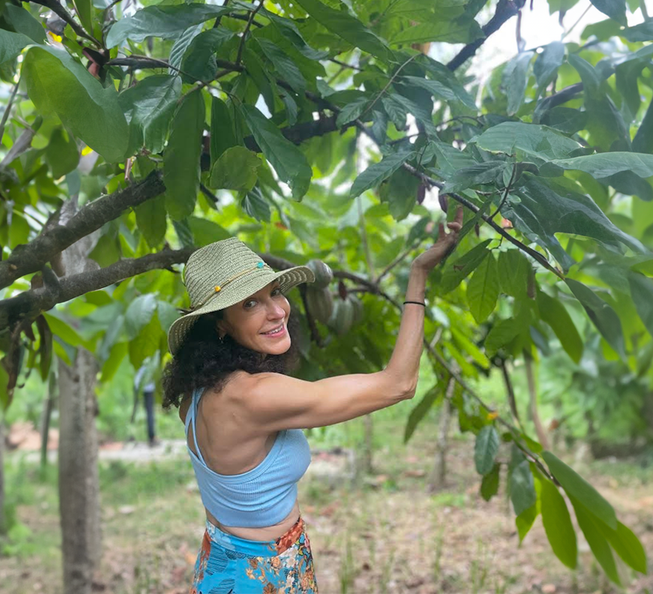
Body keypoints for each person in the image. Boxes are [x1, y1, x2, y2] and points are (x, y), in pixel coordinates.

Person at [162, 209, 463, 593]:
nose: (276, 311)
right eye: (249, 305)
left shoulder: (197, 392)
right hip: (261, 576)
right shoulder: (254, 396)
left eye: (274, 293)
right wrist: (418, 276)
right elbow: (399, 383)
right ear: (220, 324)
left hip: (221, 564)